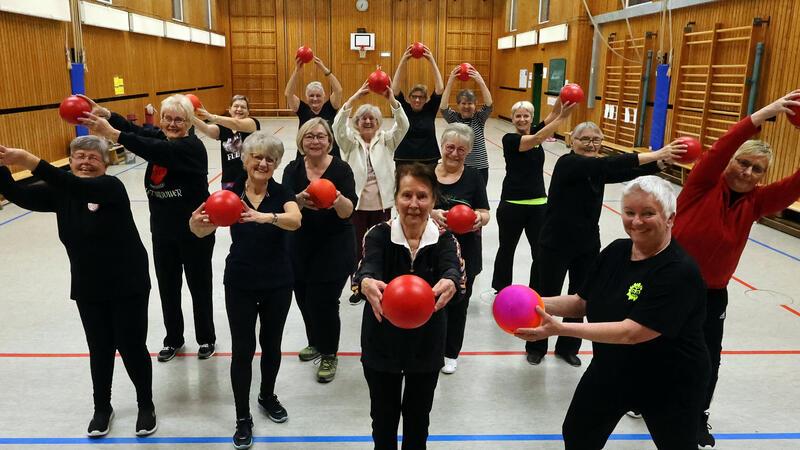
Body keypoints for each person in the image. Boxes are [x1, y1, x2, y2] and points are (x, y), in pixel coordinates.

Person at [515, 175, 710, 450]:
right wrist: (533, 302)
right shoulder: (617, 251)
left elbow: (632, 332)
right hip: (612, 367)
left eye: (648, 213)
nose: (636, 221)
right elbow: (582, 302)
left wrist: (561, 329)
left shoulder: (679, 271)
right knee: (578, 434)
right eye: (630, 212)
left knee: (676, 444)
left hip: (669, 379)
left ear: (670, 218)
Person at [0, 137, 157, 437]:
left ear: (106, 163)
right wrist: (2, 168)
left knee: (131, 346)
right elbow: (18, 195)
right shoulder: (62, 192)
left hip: (128, 282)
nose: (85, 162)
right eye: (78, 157)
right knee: (98, 348)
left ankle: (145, 405)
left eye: (92, 158)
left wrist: (27, 159)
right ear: (70, 162)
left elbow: (75, 186)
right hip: (88, 283)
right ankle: (102, 408)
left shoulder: (111, 188)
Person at [671, 91, 800, 449]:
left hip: (712, 293)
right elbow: (722, 147)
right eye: (743, 163)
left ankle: (697, 415)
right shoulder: (702, 183)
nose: (747, 172)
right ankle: (641, 397)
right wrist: (765, 114)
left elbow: (796, 184)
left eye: (757, 169)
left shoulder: (758, 201)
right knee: (651, 343)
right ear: (730, 163)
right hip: (669, 283)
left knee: (709, 358)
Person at [526, 121, 685, 367]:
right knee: (548, 293)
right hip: (554, 242)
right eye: (585, 139)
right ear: (572, 141)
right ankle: (536, 345)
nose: (591, 144)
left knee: (581, 295)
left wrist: (659, 164)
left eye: (596, 140)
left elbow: (622, 172)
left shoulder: (595, 168)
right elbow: (607, 164)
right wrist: (656, 153)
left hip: (587, 243)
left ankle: (567, 347)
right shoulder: (568, 163)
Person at [80, 94, 216, 362]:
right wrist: (109, 115)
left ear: (189, 122)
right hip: (163, 232)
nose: (172, 124)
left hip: (195, 232)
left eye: (178, 119)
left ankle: (206, 338)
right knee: (168, 287)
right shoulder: (160, 137)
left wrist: (114, 134)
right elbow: (140, 131)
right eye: (167, 118)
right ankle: (173, 339)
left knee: (199, 287)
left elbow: (152, 149)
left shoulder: (190, 148)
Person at [189, 131, 301, 450]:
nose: (262, 162)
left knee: (272, 344)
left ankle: (267, 395)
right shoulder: (229, 192)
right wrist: (197, 223)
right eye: (257, 157)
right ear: (245, 159)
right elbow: (199, 230)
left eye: (269, 158)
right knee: (243, 348)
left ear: (277, 163)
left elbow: (295, 220)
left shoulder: (282, 192)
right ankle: (242, 417)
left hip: (278, 280)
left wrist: (264, 217)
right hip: (239, 280)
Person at [354, 163, 464, 450]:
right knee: (383, 419)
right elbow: (367, 268)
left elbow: (454, 272)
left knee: (418, 420)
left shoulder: (445, 239)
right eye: (406, 195)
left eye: (422, 196)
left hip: (426, 345)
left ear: (433, 199)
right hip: (381, 343)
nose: (414, 204)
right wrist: (365, 282)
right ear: (396, 198)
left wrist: (451, 282)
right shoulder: (377, 234)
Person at [282, 118, 358, 382]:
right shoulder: (292, 170)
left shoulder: (341, 170)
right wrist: (298, 201)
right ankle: (315, 341)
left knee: (323, 302)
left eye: (321, 136)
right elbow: (286, 210)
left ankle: (329, 353)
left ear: (330, 141)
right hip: (300, 245)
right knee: (303, 298)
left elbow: (349, 212)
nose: (315, 141)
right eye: (309, 137)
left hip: (334, 245)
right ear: (301, 141)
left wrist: (337, 199)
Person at [332, 80, 409, 303]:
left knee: (379, 246)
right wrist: (354, 98)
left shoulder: (386, 140)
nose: (367, 121)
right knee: (355, 249)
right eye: (363, 118)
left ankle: (379, 285)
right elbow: (337, 126)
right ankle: (357, 286)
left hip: (381, 204)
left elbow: (403, 125)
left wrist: (392, 101)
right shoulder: (348, 141)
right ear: (356, 122)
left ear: (378, 123)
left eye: (372, 118)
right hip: (356, 205)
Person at [491, 99, 575, 294]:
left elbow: (551, 117)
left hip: (538, 204)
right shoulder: (510, 140)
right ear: (512, 119)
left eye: (526, 116)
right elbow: (537, 139)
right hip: (512, 204)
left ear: (531, 118)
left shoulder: (536, 131)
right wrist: (563, 117)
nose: (522, 119)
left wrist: (562, 100)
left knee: (539, 252)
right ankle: (501, 288)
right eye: (518, 116)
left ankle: (535, 290)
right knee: (506, 248)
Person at [429, 123, 490, 374]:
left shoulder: (474, 176)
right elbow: (408, 203)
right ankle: (429, 347)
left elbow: (485, 212)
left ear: (468, 152)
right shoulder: (426, 173)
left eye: (461, 150)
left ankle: (450, 352)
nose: (454, 153)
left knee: (457, 304)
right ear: (442, 146)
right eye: (450, 147)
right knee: (430, 300)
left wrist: (478, 218)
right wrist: (431, 212)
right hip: (431, 250)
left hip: (465, 252)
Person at [191, 94, 261, 190]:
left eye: (243, 107)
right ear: (230, 109)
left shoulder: (252, 123)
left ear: (248, 112)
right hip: (229, 179)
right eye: (236, 106)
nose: (239, 109)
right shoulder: (223, 128)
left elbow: (237, 124)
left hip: (250, 178)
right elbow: (207, 129)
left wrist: (211, 116)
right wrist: (190, 117)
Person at [391, 44, 444, 166]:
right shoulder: (404, 109)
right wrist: (403, 60)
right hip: (404, 159)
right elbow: (394, 89)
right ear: (409, 98)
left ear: (426, 99)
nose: (417, 100)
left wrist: (431, 60)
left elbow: (440, 88)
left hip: (429, 159)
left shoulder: (430, 109)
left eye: (421, 97)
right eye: (414, 97)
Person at [440, 65, 493, 185]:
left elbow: (489, 104)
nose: (467, 106)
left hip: (480, 168)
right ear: (458, 105)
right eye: (463, 103)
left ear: (475, 105)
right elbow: (443, 107)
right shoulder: (454, 119)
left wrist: (480, 80)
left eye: (470, 103)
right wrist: (450, 81)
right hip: (459, 166)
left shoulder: (479, 118)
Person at [285, 55, 343, 159]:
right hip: (306, 154)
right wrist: (297, 70)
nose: (315, 98)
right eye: (311, 95)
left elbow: (338, 90)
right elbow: (288, 93)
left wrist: (323, 69)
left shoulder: (330, 106)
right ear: (306, 97)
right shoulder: (302, 109)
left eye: (318, 95)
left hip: (330, 154)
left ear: (324, 96)